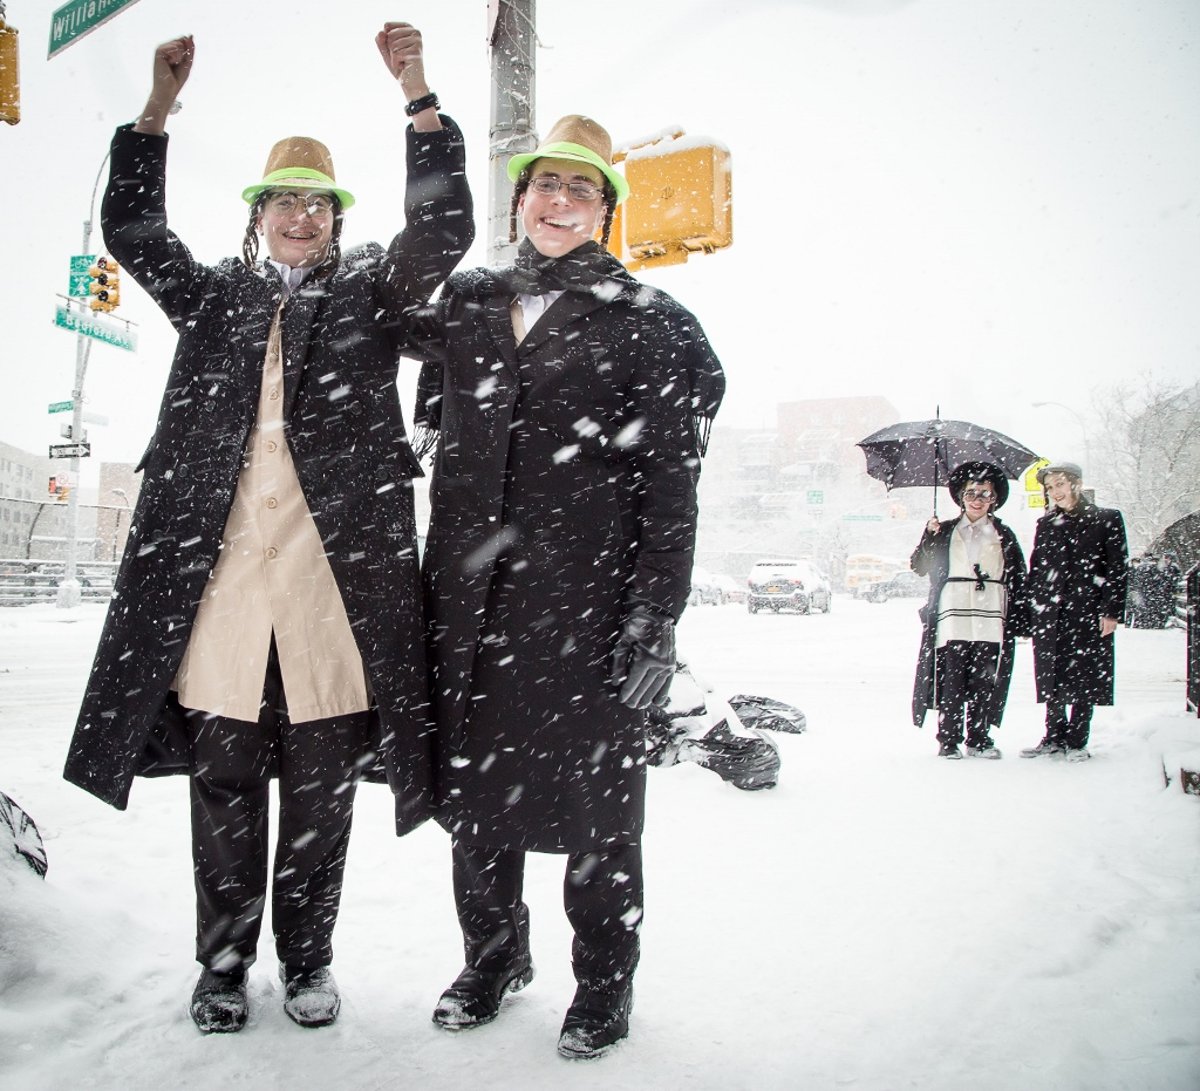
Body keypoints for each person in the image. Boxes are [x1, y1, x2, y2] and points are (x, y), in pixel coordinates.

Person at [61, 26, 474, 1033]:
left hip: (334, 604)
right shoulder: (214, 299)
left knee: (322, 805)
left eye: (316, 200)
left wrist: (419, 95)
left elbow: (444, 233)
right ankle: (222, 963)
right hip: (224, 601)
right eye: (283, 199)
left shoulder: (373, 297)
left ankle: (307, 960)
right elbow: (134, 231)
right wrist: (154, 114)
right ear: (259, 217)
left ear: (336, 218)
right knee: (227, 796)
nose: (300, 214)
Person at [408, 114, 724, 1059]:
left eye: (579, 190)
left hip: (585, 612)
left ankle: (602, 984)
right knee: (476, 803)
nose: (557, 202)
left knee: (598, 812)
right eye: (544, 184)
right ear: (521, 199)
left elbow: (671, 487)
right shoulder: (469, 302)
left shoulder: (650, 321)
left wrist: (653, 619)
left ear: (605, 213)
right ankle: (494, 957)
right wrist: (423, 113)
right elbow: (387, 332)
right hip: (469, 603)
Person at [910, 462, 1030, 758]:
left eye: (985, 494)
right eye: (971, 493)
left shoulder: (1003, 533)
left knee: (984, 679)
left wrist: (1022, 617)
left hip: (991, 615)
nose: (977, 500)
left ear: (994, 499)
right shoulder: (945, 530)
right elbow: (918, 566)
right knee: (951, 679)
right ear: (961, 497)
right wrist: (928, 535)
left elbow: (1019, 576)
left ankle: (978, 738)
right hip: (953, 615)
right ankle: (948, 739)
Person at [1022, 461, 1128, 761]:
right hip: (1050, 612)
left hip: (1087, 609)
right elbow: (1038, 569)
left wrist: (1111, 611)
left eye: (1059, 484)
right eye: (1049, 486)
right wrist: (1034, 608)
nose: (1054, 491)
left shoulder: (1105, 518)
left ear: (1075, 484)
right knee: (1052, 674)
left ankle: (1078, 740)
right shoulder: (1045, 523)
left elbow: (1116, 569)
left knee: (1084, 673)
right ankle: (1053, 736)